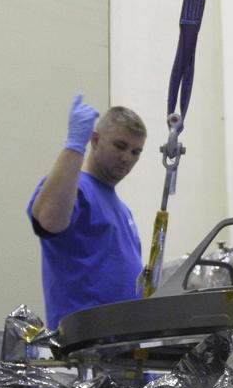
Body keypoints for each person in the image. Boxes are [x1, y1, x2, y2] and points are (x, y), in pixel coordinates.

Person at [29, 93, 146, 329]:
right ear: (95, 140)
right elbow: (49, 220)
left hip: (124, 344)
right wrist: (73, 146)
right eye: (120, 146)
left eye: (136, 152)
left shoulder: (123, 210)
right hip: (86, 347)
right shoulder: (75, 188)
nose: (127, 158)